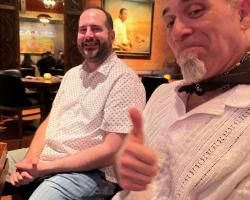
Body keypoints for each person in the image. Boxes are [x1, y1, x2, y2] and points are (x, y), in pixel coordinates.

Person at [3, 7, 145, 200]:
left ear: (112, 35)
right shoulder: (71, 75)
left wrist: (43, 167)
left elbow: (113, 150)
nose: (88, 35)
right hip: (48, 156)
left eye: (96, 29)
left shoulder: (125, 80)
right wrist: (31, 159)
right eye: (82, 30)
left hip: (92, 172)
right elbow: (50, 121)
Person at [114, 0, 250, 199]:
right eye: (169, 22)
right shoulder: (163, 94)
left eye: (195, 11)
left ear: (243, 14)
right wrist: (125, 168)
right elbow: (131, 186)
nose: (177, 32)